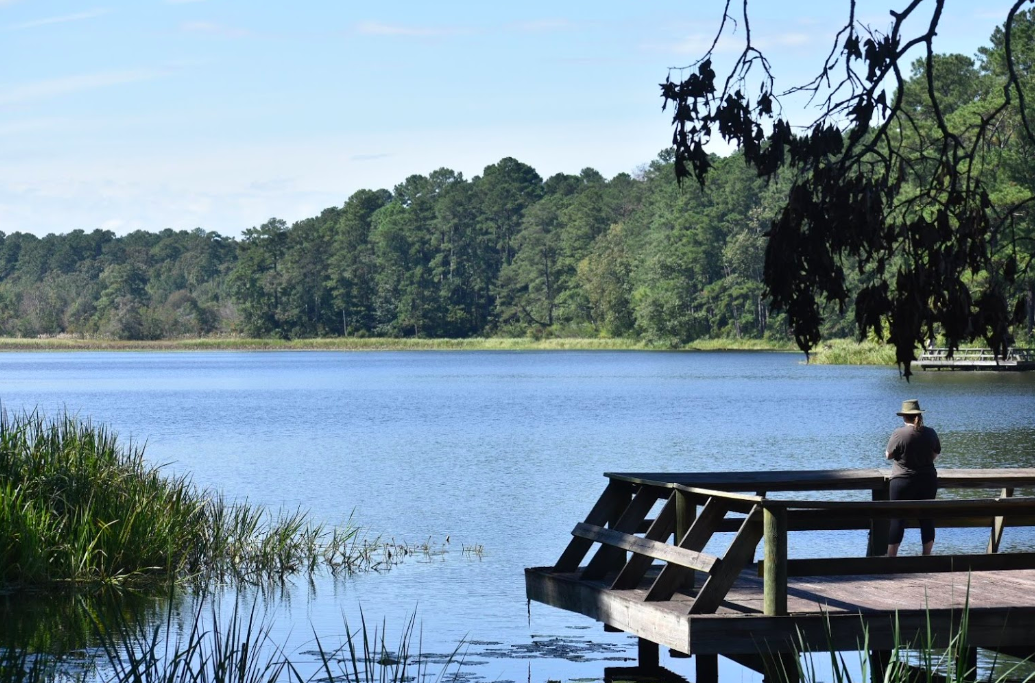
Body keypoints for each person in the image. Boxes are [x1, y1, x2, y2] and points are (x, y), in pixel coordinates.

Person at [885, 399, 941, 556]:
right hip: (927, 480)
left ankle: (891, 558)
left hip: (902, 481)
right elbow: (935, 454)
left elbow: (889, 455)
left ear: (904, 417)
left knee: (898, 518)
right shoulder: (930, 432)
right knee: (927, 517)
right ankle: (926, 557)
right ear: (919, 415)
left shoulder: (899, 433)